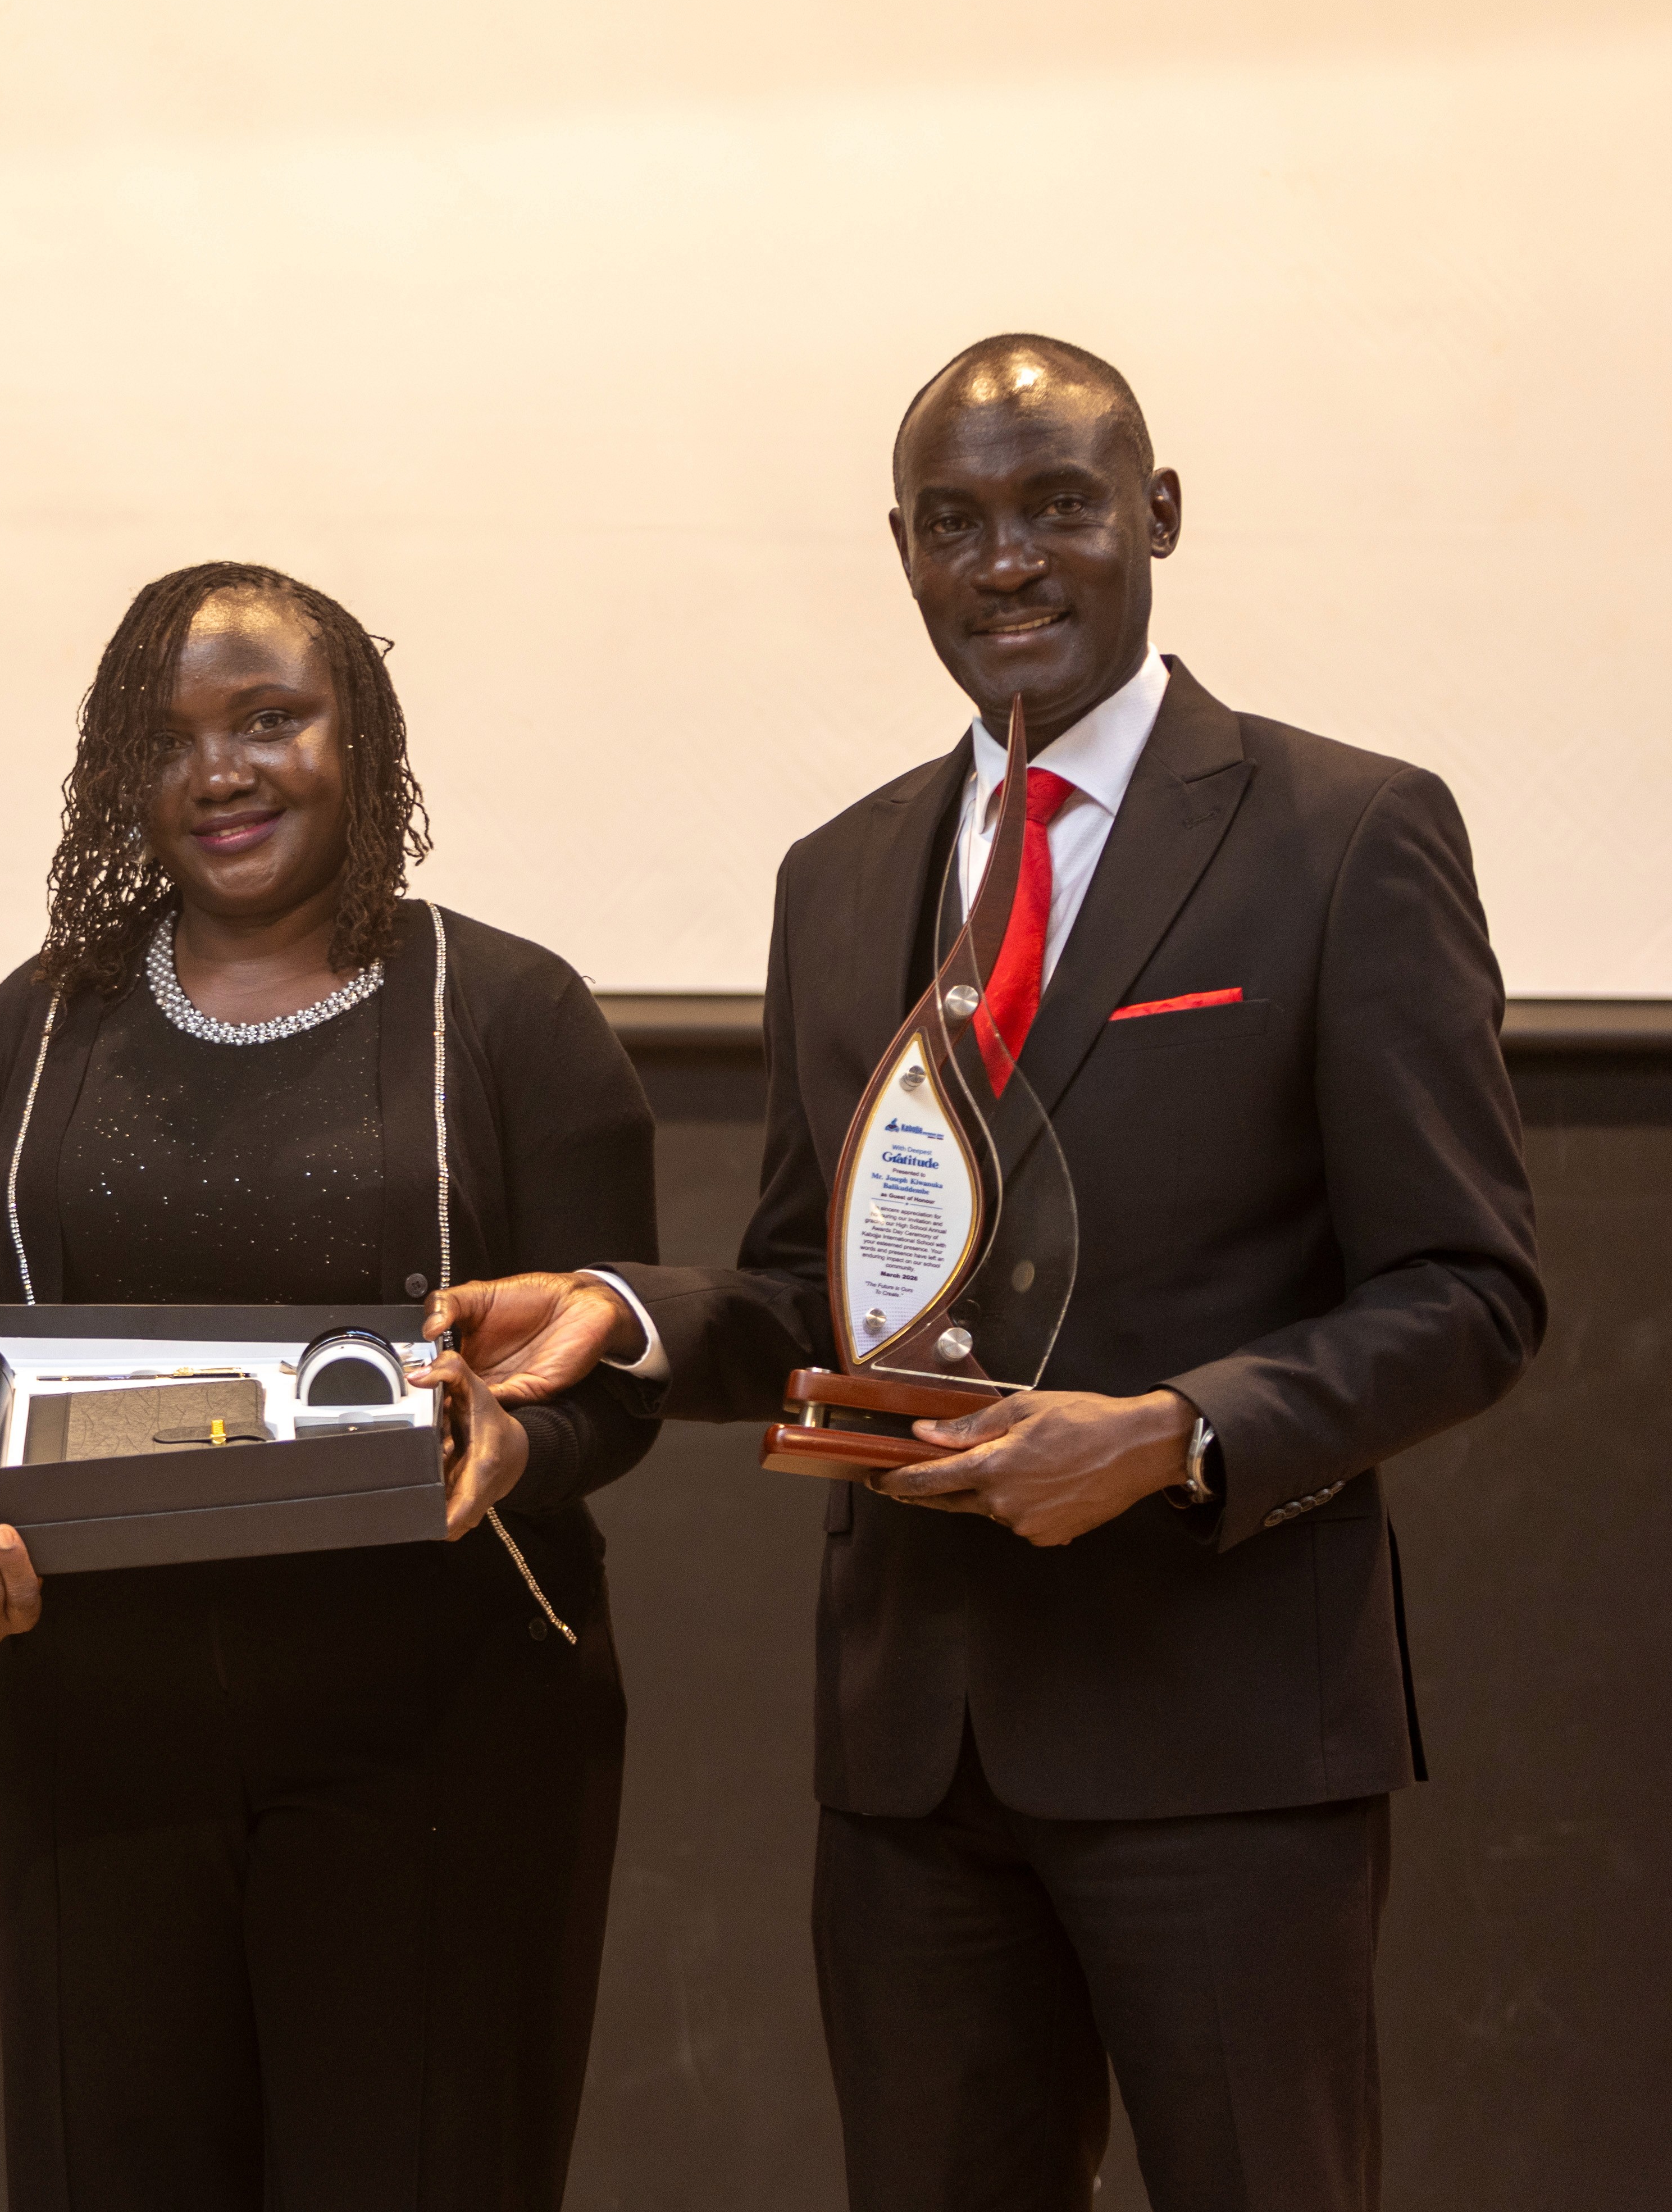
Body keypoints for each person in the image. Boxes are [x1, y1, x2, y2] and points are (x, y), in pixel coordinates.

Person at [432, 336, 1544, 2212]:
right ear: (903, 553)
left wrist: (1173, 1436)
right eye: (953, 523)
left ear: (1159, 516)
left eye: (1058, 506)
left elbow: (1469, 1292)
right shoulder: (839, 874)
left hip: (1226, 1745)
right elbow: (818, 1292)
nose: (1007, 561)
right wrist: (622, 1313)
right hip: (914, 1759)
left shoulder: (1349, 835)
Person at [0, 560, 658, 2210]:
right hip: (97, 1756)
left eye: (269, 720)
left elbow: (619, 1389)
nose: (220, 771)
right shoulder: (32, 1033)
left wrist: (518, 1444)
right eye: (168, 740)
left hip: (446, 1751)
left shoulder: (511, 1014)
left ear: (358, 737)